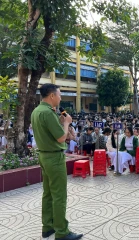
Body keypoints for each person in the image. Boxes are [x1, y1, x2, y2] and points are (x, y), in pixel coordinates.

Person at [31, 84, 83, 240]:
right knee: (59, 195)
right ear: (52, 96)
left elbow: (53, 134)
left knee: (47, 194)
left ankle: (47, 227)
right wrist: (66, 122)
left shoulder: (37, 111)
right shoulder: (47, 113)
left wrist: (61, 123)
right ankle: (62, 231)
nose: (60, 98)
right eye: (59, 95)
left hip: (44, 156)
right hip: (54, 158)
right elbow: (61, 138)